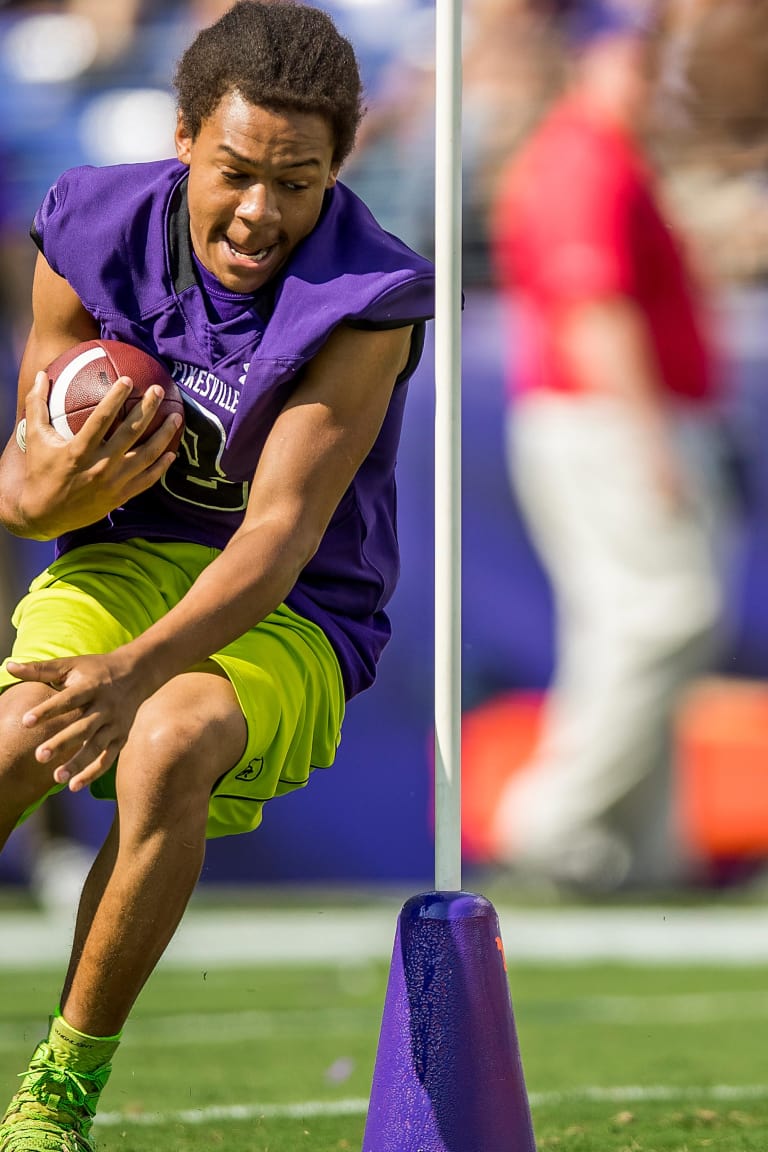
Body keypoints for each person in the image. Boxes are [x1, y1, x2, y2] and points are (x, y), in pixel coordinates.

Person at [0, 2, 434, 1148]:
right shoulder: (86, 221)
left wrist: (134, 673)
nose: (259, 211)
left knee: (171, 736)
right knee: (6, 749)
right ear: (186, 134)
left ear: (340, 166)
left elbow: (278, 537)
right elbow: (21, 485)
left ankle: (61, 1092)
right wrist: (47, 493)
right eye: (237, 170)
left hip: (288, 613)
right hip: (120, 563)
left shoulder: (367, 298)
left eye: (296, 181)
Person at [488, 0, 728, 894]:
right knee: (671, 610)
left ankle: (638, 854)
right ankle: (548, 824)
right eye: (634, 56)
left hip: (613, 416)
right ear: (591, 61)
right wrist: (651, 436)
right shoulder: (579, 156)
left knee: (628, 627)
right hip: (605, 416)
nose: (651, 75)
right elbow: (596, 314)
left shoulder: (608, 152)